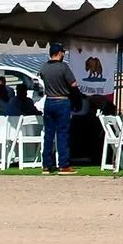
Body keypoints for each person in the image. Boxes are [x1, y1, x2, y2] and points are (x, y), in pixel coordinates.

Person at [38, 42, 80, 174]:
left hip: (49, 101)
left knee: (48, 135)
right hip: (62, 102)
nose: (64, 54)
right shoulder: (63, 67)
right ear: (59, 53)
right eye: (63, 52)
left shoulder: (44, 68)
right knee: (62, 134)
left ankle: (46, 165)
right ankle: (63, 165)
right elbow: (73, 84)